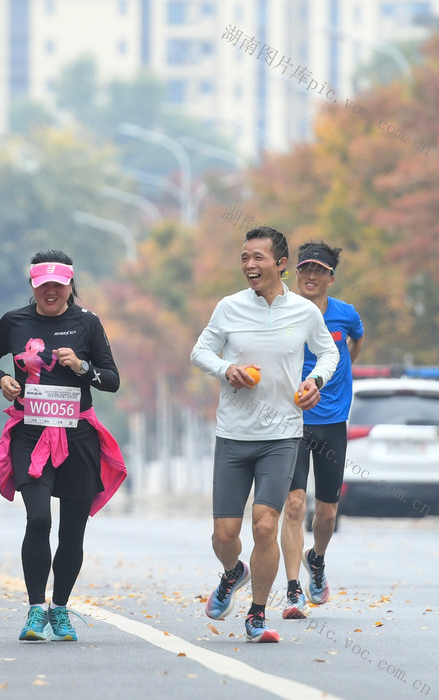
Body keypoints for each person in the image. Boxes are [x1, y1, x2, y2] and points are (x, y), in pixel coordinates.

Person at [190, 226, 339, 643]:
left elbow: (329, 352)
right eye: (244, 258)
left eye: (258, 257)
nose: (249, 265)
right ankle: (232, 572)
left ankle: (257, 614)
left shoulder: (305, 312)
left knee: (264, 525)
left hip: (283, 434)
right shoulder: (228, 308)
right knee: (224, 536)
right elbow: (200, 351)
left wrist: (316, 381)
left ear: (280, 264)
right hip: (234, 434)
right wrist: (225, 369)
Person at [0, 250, 126, 642]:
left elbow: (111, 380)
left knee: (72, 530)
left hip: (77, 435)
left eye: (59, 285)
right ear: (33, 286)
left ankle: (60, 609)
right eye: (44, 286)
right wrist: (1, 380)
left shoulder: (87, 323)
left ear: (70, 285)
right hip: (30, 432)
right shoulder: (14, 321)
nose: (51, 292)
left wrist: (81, 367)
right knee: (39, 518)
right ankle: (34, 610)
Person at [279, 241, 363, 620]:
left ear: (331, 277)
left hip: (332, 423)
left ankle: (318, 558)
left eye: (319, 270)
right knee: (294, 504)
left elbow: (354, 344)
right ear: (295, 273)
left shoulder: (346, 315)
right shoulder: (282, 311)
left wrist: (336, 382)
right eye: (305, 269)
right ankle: (293, 590)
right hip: (292, 423)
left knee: (327, 514)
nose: (311, 276)